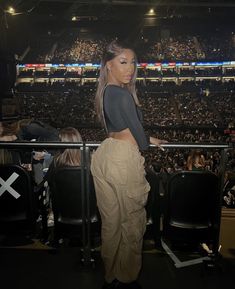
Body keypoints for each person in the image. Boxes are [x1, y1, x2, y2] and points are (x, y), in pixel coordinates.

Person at [90, 40, 166, 289]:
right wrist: (148, 140)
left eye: (133, 62)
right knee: (132, 222)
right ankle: (127, 278)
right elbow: (140, 142)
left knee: (111, 223)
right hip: (123, 160)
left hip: (106, 153)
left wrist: (147, 137)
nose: (130, 68)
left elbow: (120, 128)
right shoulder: (122, 94)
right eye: (123, 62)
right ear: (108, 65)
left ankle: (110, 274)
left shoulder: (105, 92)